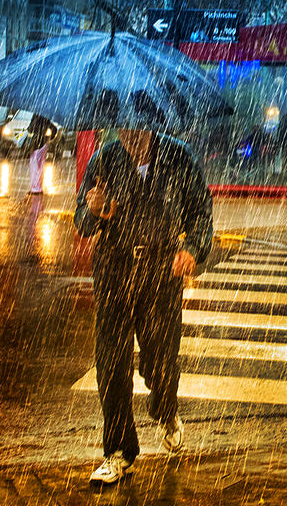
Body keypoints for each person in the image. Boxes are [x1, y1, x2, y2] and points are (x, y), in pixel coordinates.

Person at [74, 89, 213, 487]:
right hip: (115, 272)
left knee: (161, 363)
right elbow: (82, 220)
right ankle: (118, 451)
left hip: (160, 273)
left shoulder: (178, 158)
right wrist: (97, 209)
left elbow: (202, 213)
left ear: (153, 126)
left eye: (138, 129)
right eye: (124, 128)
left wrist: (191, 249)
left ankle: (166, 405)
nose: (131, 137)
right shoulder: (104, 161)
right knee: (111, 364)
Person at [27, 113, 56, 194]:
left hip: (36, 145)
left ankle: (35, 189)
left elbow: (31, 129)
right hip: (43, 144)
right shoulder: (45, 117)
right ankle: (38, 187)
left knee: (35, 166)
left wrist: (30, 128)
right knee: (40, 167)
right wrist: (49, 138)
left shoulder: (37, 116)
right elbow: (54, 129)